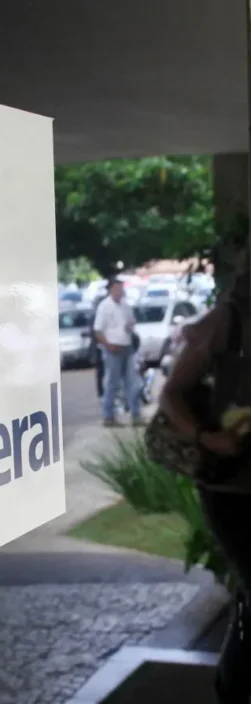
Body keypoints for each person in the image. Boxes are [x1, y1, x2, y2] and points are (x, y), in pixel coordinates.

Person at [160, 267, 251, 704]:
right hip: (234, 491)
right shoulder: (226, 322)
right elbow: (172, 393)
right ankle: (233, 691)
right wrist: (207, 437)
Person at [93, 279, 143, 426]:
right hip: (113, 348)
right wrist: (108, 345)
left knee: (132, 382)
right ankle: (108, 416)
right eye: (117, 289)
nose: (120, 292)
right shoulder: (104, 306)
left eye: (121, 289)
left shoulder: (125, 305)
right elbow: (98, 330)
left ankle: (136, 415)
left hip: (127, 346)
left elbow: (132, 322)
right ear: (111, 290)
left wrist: (130, 326)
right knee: (112, 383)